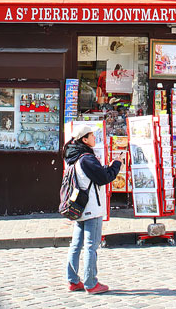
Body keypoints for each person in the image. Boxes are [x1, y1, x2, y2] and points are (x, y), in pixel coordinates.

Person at [63, 125, 123, 295]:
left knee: (76, 244)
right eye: (92, 135)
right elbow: (104, 178)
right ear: (84, 139)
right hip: (91, 208)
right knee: (91, 245)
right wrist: (116, 164)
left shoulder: (74, 156)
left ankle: (73, 280)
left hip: (80, 206)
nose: (94, 138)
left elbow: (90, 176)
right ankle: (91, 283)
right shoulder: (86, 158)